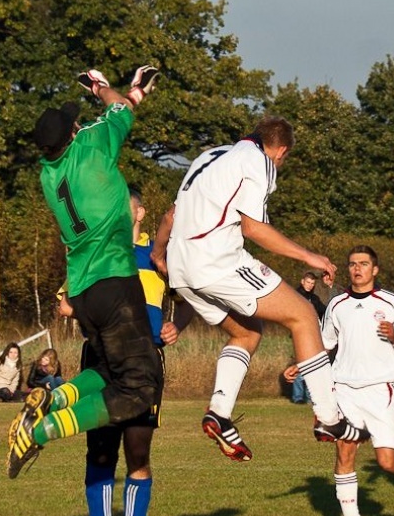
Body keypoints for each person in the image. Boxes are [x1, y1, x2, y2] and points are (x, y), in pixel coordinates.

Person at [152, 116, 367, 463]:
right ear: (280, 150)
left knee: (247, 333)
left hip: (181, 265)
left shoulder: (210, 156)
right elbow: (254, 228)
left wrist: (159, 254)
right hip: (216, 260)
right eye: (283, 159)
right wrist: (309, 256)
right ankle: (329, 418)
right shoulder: (260, 162)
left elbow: (172, 215)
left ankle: (219, 413)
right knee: (303, 315)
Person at [7, 64, 163, 480]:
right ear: (74, 132)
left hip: (83, 291)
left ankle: (54, 400)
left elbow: (108, 120)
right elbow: (122, 110)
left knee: (108, 373)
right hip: (114, 279)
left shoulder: (46, 173)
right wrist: (106, 89)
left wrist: (121, 97)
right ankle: (43, 430)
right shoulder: (91, 144)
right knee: (140, 389)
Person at [73, 186, 191, 516]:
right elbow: (65, 302)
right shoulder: (93, 254)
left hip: (145, 363)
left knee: (138, 452)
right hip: (102, 362)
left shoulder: (157, 258)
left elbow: (192, 296)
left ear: (140, 214)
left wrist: (179, 323)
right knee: (102, 451)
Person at [304, 245, 394, 516]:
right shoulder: (338, 305)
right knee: (345, 451)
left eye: (363, 264)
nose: (357, 268)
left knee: (388, 462)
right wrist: (299, 364)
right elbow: (324, 343)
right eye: (353, 263)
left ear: (374, 270)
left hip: (381, 392)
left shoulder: (389, 302)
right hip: (345, 390)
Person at [286, 272, 327, 404]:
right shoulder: (295, 296)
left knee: (312, 364)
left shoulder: (314, 298)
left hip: (314, 334)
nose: (310, 285)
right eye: (308, 282)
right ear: (302, 281)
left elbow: (325, 311)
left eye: (312, 283)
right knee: (302, 363)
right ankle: (298, 397)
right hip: (300, 333)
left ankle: (310, 396)